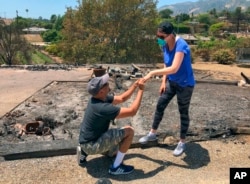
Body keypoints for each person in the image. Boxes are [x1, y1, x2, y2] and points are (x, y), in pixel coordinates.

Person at [139, 21, 196, 156]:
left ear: (170, 35)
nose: (159, 39)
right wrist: (163, 81)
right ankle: (152, 133)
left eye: (162, 37)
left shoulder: (181, 45)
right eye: (157, 36)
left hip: (185, 84)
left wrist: (152, 73)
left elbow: (174, 67)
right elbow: (166, 63)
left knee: (183, 112)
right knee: (160, 105)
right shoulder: (164, 45)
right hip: (172, 81)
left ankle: (182, 142)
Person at [77, 73, 145, 175]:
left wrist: (134, 86)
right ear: (101, 91)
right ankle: (116, 167)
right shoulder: (103, 108)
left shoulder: (96, 99)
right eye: (106, 84)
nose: (108, 84)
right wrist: (141, 90)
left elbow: (122, 98)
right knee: (129, 131)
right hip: (92, 145)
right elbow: (132, 111)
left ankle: (83, 152)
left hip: (85, 141)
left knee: (115, 151)